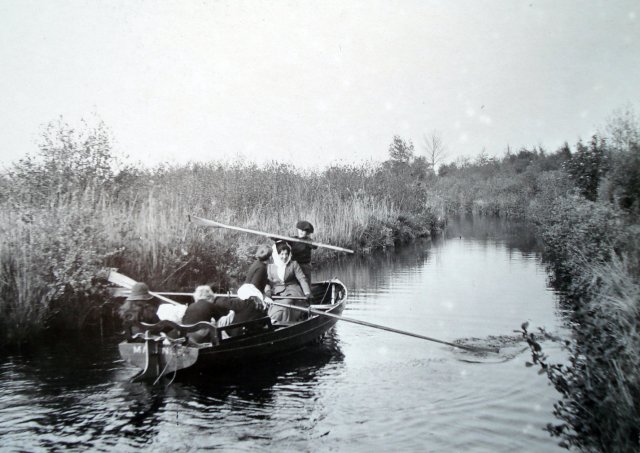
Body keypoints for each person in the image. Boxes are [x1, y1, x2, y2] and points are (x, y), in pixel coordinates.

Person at [265, 241, 312, 324]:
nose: (284, 257)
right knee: (271, 305)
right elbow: (267, 282)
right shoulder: (270, 267)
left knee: (287, 302)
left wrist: (307, 292)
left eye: (286, 254)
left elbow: (302, 279)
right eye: (282, 254)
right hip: (277, 294)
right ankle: (272, 320)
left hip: (293, 292)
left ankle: (277, 321)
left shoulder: (294, 264)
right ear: (276, 254)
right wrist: (268, 292)